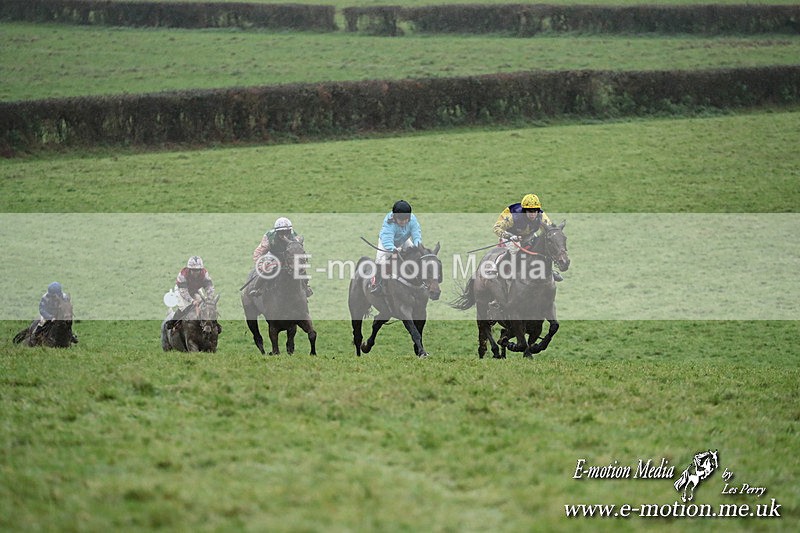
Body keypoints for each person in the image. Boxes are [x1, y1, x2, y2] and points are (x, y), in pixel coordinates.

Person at [493, 193, 563, 282]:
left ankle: (549, 271)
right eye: (530, 211)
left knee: (542, 246)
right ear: (524, 210)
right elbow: (496, 228)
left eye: (535, 211)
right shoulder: (512, 216)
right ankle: (500, 269)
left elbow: (549, 229)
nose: (533, 214)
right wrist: (510, 236)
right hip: (510, 234)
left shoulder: (541, 216)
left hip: (529, 235)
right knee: (514, 250)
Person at [250, 217, 312, 298]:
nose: (284, 234)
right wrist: (261, 264)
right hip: (273, 255)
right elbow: (259, 252)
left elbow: (298, 251)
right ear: (277, 232)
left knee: (300, 268)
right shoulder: (269, 237)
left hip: (288, 256)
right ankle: (257, 288)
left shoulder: (295, 238)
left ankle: (306, 287)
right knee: (268, 269)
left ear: (290, 231)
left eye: (287, 232)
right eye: (282, 232)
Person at [370, 200, 423, 294]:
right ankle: (376, 284)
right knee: (380, 261)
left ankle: (420, 280)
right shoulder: (389, 223)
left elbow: (416, 234)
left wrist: (417, 246)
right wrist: (393, 249)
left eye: (406, 219)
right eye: (401, 220)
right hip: (386, 243)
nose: (404, 222)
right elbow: (387, 240)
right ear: (394, 217)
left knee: (416, 255)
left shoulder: (412, 219)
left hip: (403, 240)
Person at [165, 256, 216, 329]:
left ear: (201, 270)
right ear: (189, 269)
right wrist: (192, 301)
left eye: (198, 270)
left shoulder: (204, 274)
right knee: (185, 307)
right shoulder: (183, 275)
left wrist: (210, 297)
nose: (196, 273)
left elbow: (209, 287)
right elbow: (184, 292)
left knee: (204, 305)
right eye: (193, 270)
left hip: (195, 290)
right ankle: (172, 322)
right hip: (181, 291)